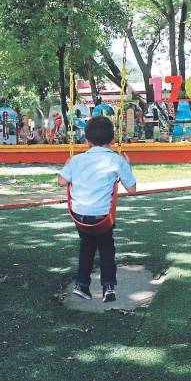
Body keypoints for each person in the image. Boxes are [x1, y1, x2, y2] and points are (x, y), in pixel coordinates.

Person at [57, 116, 137, 302]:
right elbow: (132, 189)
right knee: (106, 247)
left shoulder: (76, 160)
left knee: (87, 246)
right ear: (112, 140)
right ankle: (108, 286)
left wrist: (68, 164)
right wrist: (128, 166)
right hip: (102, 217)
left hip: (79, 215)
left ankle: (82, 285)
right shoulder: (117, 160)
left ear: (87, 140)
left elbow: (61, 181)